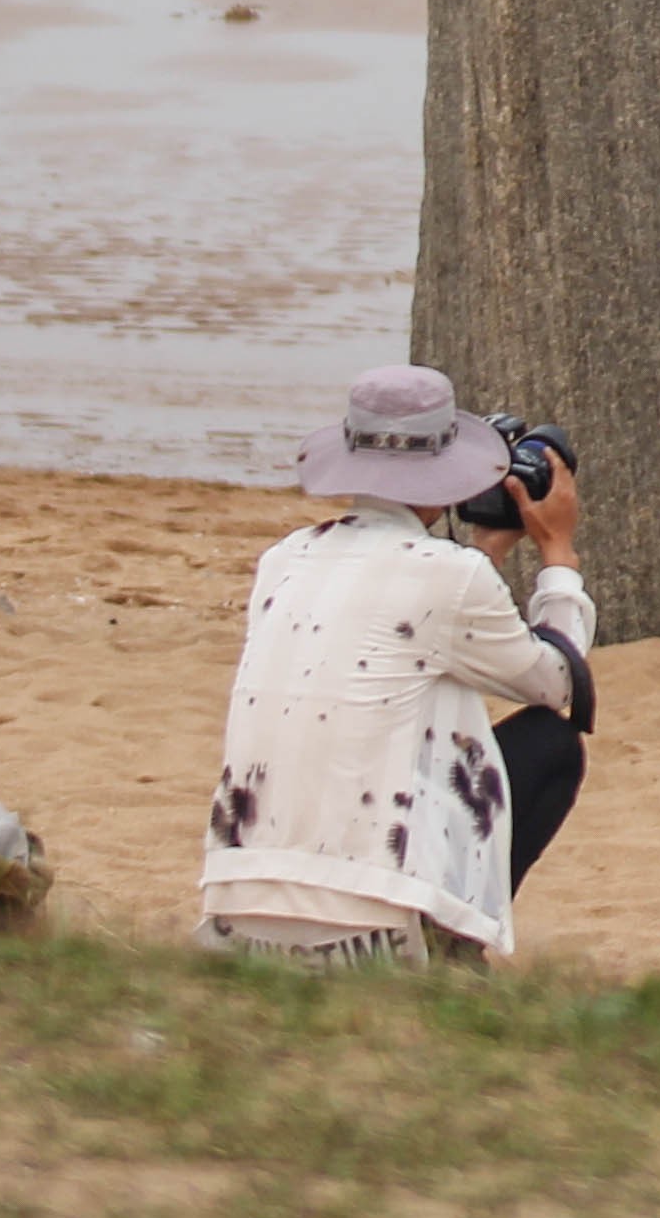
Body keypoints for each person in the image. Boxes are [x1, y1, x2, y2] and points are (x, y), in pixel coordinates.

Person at [194, 365, 595, 963]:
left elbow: (398, 638)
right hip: (368, 925)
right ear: (449, 471)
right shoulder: (451, 578)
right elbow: (555, 682)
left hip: (237, 907)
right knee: (551, 744)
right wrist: (557, 551)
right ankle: (450, 950)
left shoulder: (284, 560)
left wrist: (484, 556)